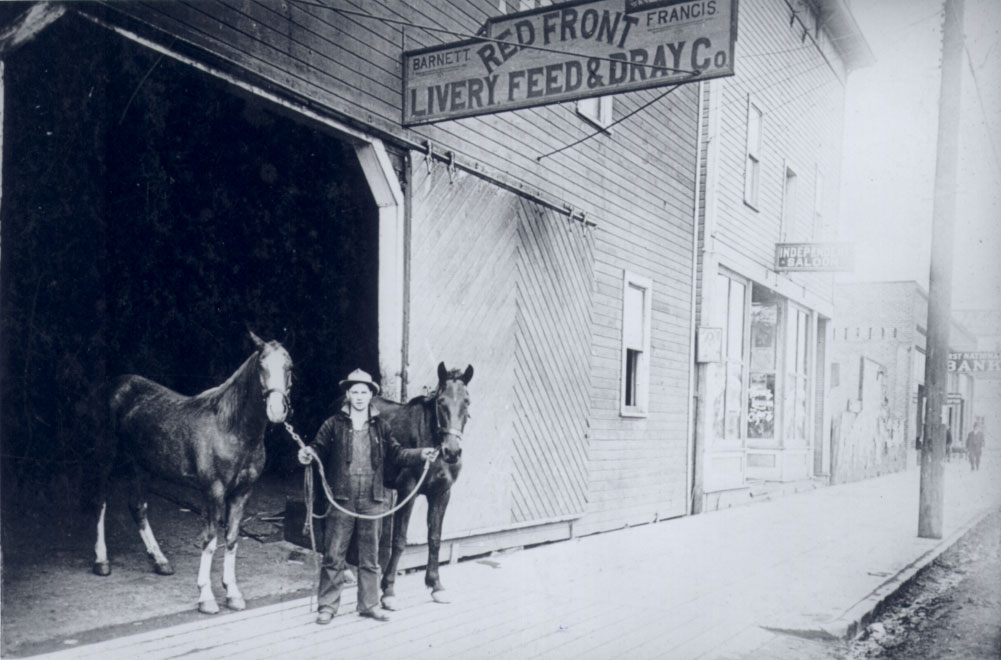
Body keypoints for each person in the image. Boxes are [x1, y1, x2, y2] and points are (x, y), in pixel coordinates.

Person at [298, 369, 435, 625]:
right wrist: (307, 453)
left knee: (370, 557)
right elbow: (317, 448)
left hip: (373, 499)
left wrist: (421, 454)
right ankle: (327, 606)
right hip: (341, 498)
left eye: (364, 392)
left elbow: (397, 454)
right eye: (355, 392)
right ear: (348, 394)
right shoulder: (333, 424)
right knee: (334, 555)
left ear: (371, 395)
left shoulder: (381, 426)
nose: (359, 397)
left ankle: (369, 604)